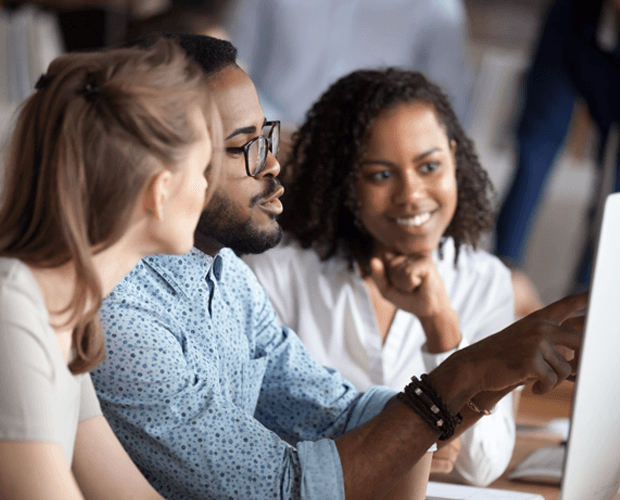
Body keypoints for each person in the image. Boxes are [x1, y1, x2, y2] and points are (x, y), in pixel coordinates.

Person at [91, 34, 586, 500]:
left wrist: (494, 371)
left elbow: (345, 417)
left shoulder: (225, 276)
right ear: (167, 164)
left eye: (268, 137)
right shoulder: (123, 319)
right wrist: (469, 370)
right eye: (247, 145)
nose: (272, 165)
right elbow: (283, 489)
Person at [243, 67, 516, 486]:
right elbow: (244, 436)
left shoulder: (482, 279)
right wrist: (405, 437)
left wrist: (441, 326)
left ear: (454, 159)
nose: (411, 194)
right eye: (381, 175)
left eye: (429, 166)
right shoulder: (279, 274)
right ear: (345, 183)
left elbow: (484, 465)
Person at [0, 39, 223, 499]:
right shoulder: (11, 313)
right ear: (159, 192)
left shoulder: (69, 311)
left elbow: (124, 492)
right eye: (202, 169)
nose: (206, 187)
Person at [495, 0, 620, 289]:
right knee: (586, 310)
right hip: (612, 192)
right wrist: (504, 267)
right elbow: (537, 147)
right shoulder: (574, 18)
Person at [224, 0, 475, 127]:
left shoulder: (436, 8)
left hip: (366, 167)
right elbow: (233, 67)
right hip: (269, 148)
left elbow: (446, 109)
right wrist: (275, 131)